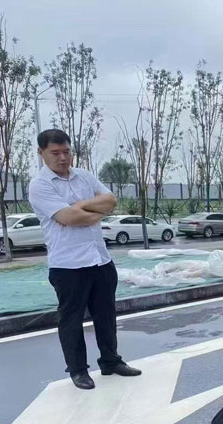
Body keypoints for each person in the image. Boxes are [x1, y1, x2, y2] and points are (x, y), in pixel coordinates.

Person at [29, 129, 142, 390]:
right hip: (67, 265)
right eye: (55, 153)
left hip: (100, 260)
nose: (62, 158)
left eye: (66, 152)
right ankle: (78, 370)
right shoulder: (40, 185)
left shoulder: (84, 176)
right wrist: (92, 211)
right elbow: (68, 218)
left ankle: (111, 360)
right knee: (71, 319)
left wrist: (78, 208)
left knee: (106, 314)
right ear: (42, 153)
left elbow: (111, 200)